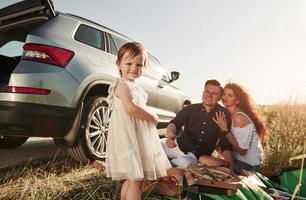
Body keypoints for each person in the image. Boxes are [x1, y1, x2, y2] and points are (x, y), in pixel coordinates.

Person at [105, 42, 171, 200]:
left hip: (135, 136)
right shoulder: (122, 85)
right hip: (128, 138)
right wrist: (151, 117)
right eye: (129, 63)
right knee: (136, 181)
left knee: (132, 179)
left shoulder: (134, 87)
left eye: (139, 65)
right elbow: (130, 108)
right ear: (118, 64)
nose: (134, 68)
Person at [161, 79, 234, 170]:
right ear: (203, 92)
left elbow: (225, 142)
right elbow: (175, 123)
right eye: (207, 91)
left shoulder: (223, 114)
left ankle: (169, 164)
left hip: (193, 157)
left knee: (183, 167)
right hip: (177, 145)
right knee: (154, 145)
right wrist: (170, 135)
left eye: (214, 93)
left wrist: (231, 167)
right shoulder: (190, 109)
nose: (209, 95)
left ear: (219, 98)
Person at [213, 82, 265, 174]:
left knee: (211, 169)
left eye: (230, 95)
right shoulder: (228, 113)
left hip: (249, 166)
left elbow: (242, 151)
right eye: (224, 94)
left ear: (237, 100)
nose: (225, 97)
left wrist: (225, 130)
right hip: (237, 160)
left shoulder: (239, 117)